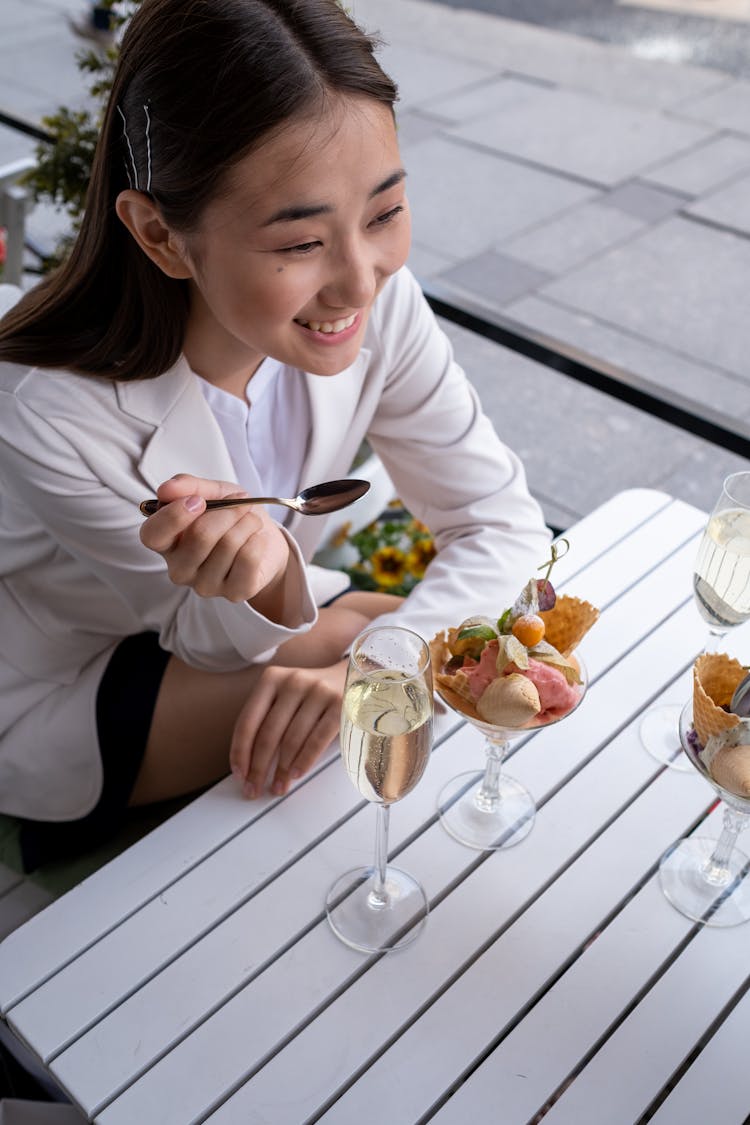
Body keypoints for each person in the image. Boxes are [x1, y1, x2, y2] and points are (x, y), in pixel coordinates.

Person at [0, 0, 550, 869]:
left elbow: (501, 522)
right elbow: (194, 625)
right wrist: (311, 615)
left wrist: (376, 663)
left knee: (390, 646)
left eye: (385, 211)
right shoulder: (47, 407)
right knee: (382, 645)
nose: (358, 282)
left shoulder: (382, 306)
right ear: (159, 235)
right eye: (300, 241)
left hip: (233, 630)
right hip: (70, 675)